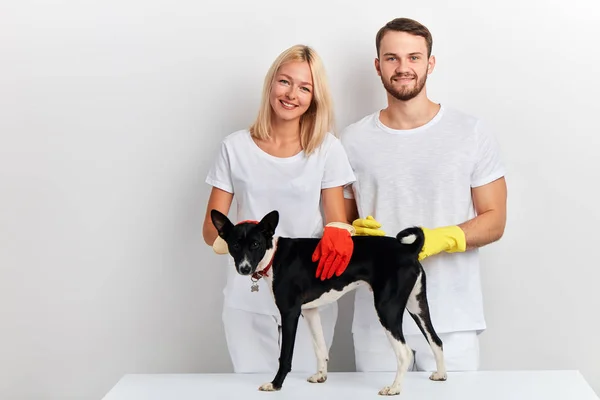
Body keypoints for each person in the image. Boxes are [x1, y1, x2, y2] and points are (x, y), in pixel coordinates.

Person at [340, 18, 508, 372]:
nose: (403, 68)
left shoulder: (470, 131)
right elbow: (337, 222)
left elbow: (495, 219)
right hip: (378, 319)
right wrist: (356, 237)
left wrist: (443, 238)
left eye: (414, 57)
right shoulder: (352, 140)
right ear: (378, 65)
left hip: (453, 318)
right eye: (392, 58)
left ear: (430, 63)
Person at [202, 44, 356, 374]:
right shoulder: (234, 147)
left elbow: (336, 224)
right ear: (271, 83)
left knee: (302, 386)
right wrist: (242, 235)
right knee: (252, 388)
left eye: (305, 87)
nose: (291, 94)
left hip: (308, 294)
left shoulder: (327, 149)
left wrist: (342, 236)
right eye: (285, 81)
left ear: (315, 97)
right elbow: (209, 231)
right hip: (247, 297)